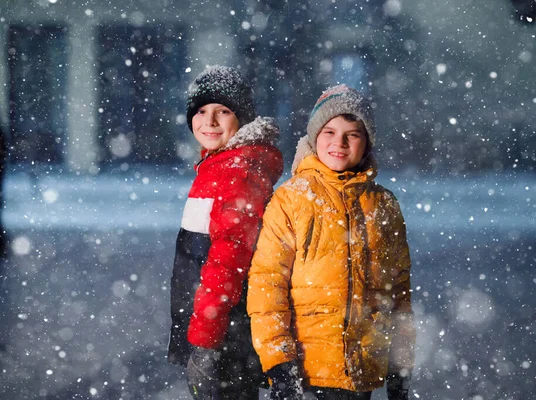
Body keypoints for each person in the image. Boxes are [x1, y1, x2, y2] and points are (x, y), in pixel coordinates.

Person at [247, 84, 416, 400]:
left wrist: (400, 365)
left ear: (366, 143)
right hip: (305, 370)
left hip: (361, 371)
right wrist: (279, 362)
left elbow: (399, 292)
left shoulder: (384, 206)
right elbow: (267, 284)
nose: (339, 142)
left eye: (352, 134)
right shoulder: (292, 199)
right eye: (329, 132)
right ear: (314, 137)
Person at [168, 65, 284, 400]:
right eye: (201, 111)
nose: (210, 122)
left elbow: (227, 261)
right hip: (219, 331)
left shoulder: (237, 171)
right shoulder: (220, 164)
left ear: (243, 119)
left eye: (223, 111)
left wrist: (205, 342)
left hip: (224, 337)